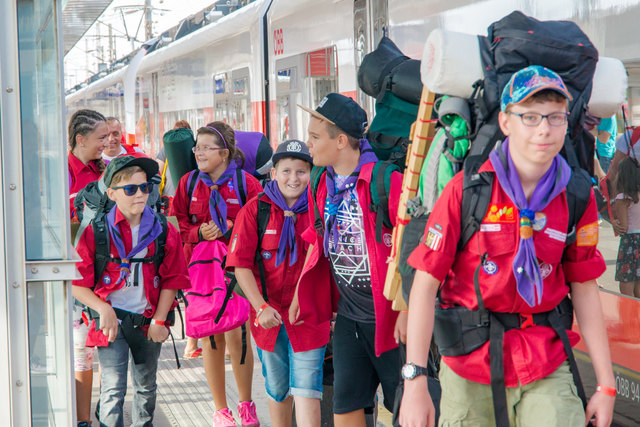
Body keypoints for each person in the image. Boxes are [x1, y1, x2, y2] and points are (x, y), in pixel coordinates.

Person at [399, 65, 615, 427]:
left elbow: (584, 286)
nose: (544, 128)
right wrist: (415, 381)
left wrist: (606, 384)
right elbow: (425, 284)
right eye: (529, 117)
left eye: (555, 117)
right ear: (505, 122)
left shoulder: (576, 195)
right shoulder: (468, 192)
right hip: (469, 361)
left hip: (545, 359)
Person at [289, 93, 406, 427]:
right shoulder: (320, 183)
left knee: (407, 411)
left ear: (340, 141)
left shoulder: (387, 182)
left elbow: (415, 251)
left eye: (314, 137)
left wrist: (409, 309)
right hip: (350, 321)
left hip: (391, 322)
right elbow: (317, 238)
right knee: (345, 408)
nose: (307, 144)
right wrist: (301, 290)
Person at [72, 155, 190, 426]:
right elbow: (78, 284)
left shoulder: (162, 228)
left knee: (146, 388)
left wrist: (160, 320)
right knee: (112, 390)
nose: (140, 194)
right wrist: (103, 309)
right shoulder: (96, 231)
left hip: (149, 321)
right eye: (130, 189)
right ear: (112, 193)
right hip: (111, 323)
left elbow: (173, 278)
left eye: (145, 187)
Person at [228, 141, 330, 427]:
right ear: (273, 173)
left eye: (301, 171)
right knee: (277, 389)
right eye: (286, 171)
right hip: (267, 318)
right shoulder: (254, 211)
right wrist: (260, 307)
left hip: (309, 316)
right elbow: (240, 265)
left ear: (312, 173)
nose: (293, 178)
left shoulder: (320, 210)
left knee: (308, 388)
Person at [171, 121, 262, 427]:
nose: (198, 153)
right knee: (210, 337)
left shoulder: (247, 185)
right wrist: (199, 231)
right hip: (201, 272)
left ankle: (246, 403)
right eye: (197, 147)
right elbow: (178, 224)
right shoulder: (186, 184)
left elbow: (261, 222)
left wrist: (234, 230)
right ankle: (221, 410)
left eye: (206, 148)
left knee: (239, 334)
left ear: (224, 153)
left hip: (236, 269)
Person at [67, 109, 109, 427]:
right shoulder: (61, 172)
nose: (107, 143)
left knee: (96, 346)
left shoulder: (106, 170)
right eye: (101, 138)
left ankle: (93, 414)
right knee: (80, 346)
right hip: (73, 273)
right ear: (81, 139)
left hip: (104, 271)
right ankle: (81, 418)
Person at [612, 157, 640, 297]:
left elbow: (623, 227)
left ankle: (630, 317)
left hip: (631, 241)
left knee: (626, 286)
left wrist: (614, 222)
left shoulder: (623, 198)